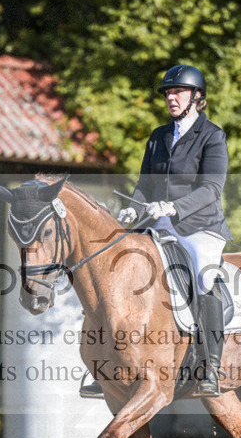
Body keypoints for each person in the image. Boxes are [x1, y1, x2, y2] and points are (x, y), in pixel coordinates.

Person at [83, 64, 231, 399]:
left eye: (177, 92)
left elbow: (211, 189)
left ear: (196, 97)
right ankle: (103, 365)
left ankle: (211, 366)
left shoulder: (212, 136)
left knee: (205, 277)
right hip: (156, 224)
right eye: (168, 93)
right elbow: (143, 187)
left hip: (198, 227)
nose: (171, 98)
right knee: (112, 270)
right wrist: (133, 208)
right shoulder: (158, 137)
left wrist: (175, 207)